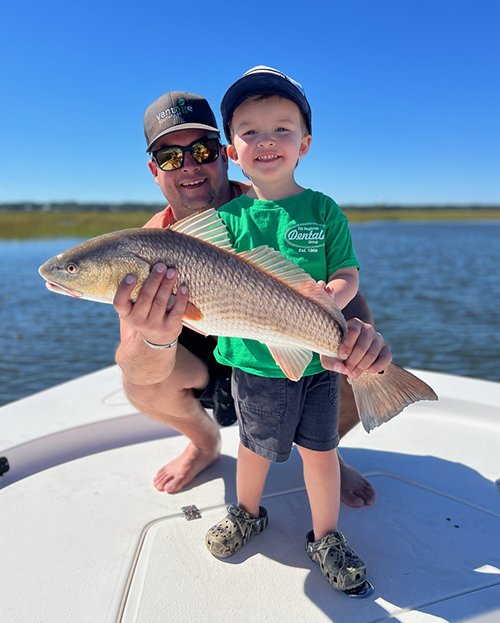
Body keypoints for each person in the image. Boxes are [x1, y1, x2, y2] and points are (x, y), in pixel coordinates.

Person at [113, 87, 391, 509]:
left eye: (203, 150)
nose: (189, 166)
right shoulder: (150, 241)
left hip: (285, 342)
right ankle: (203, 443)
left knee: (357, 357)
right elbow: (136, 365)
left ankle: (326, 451)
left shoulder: (270, 204)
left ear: (225, 154)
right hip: (206, 359)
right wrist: (154, 337)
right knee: (139, 378)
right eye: (171, 157)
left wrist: (361, 337)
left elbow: (334, 290)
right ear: (155, 170)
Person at [203, 66, 368, 592]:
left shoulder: (322, 209)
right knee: (252, 447)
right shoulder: (227, 218)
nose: (266, 140)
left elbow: (346, 273)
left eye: (282, 128)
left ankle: (326, 536)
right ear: (232, 151)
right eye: (249, 131)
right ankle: (246, 512)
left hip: (318, 358)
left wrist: (331, 297)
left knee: (322, 454)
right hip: (253, 362)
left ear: (305, 143)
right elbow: (205, 278)